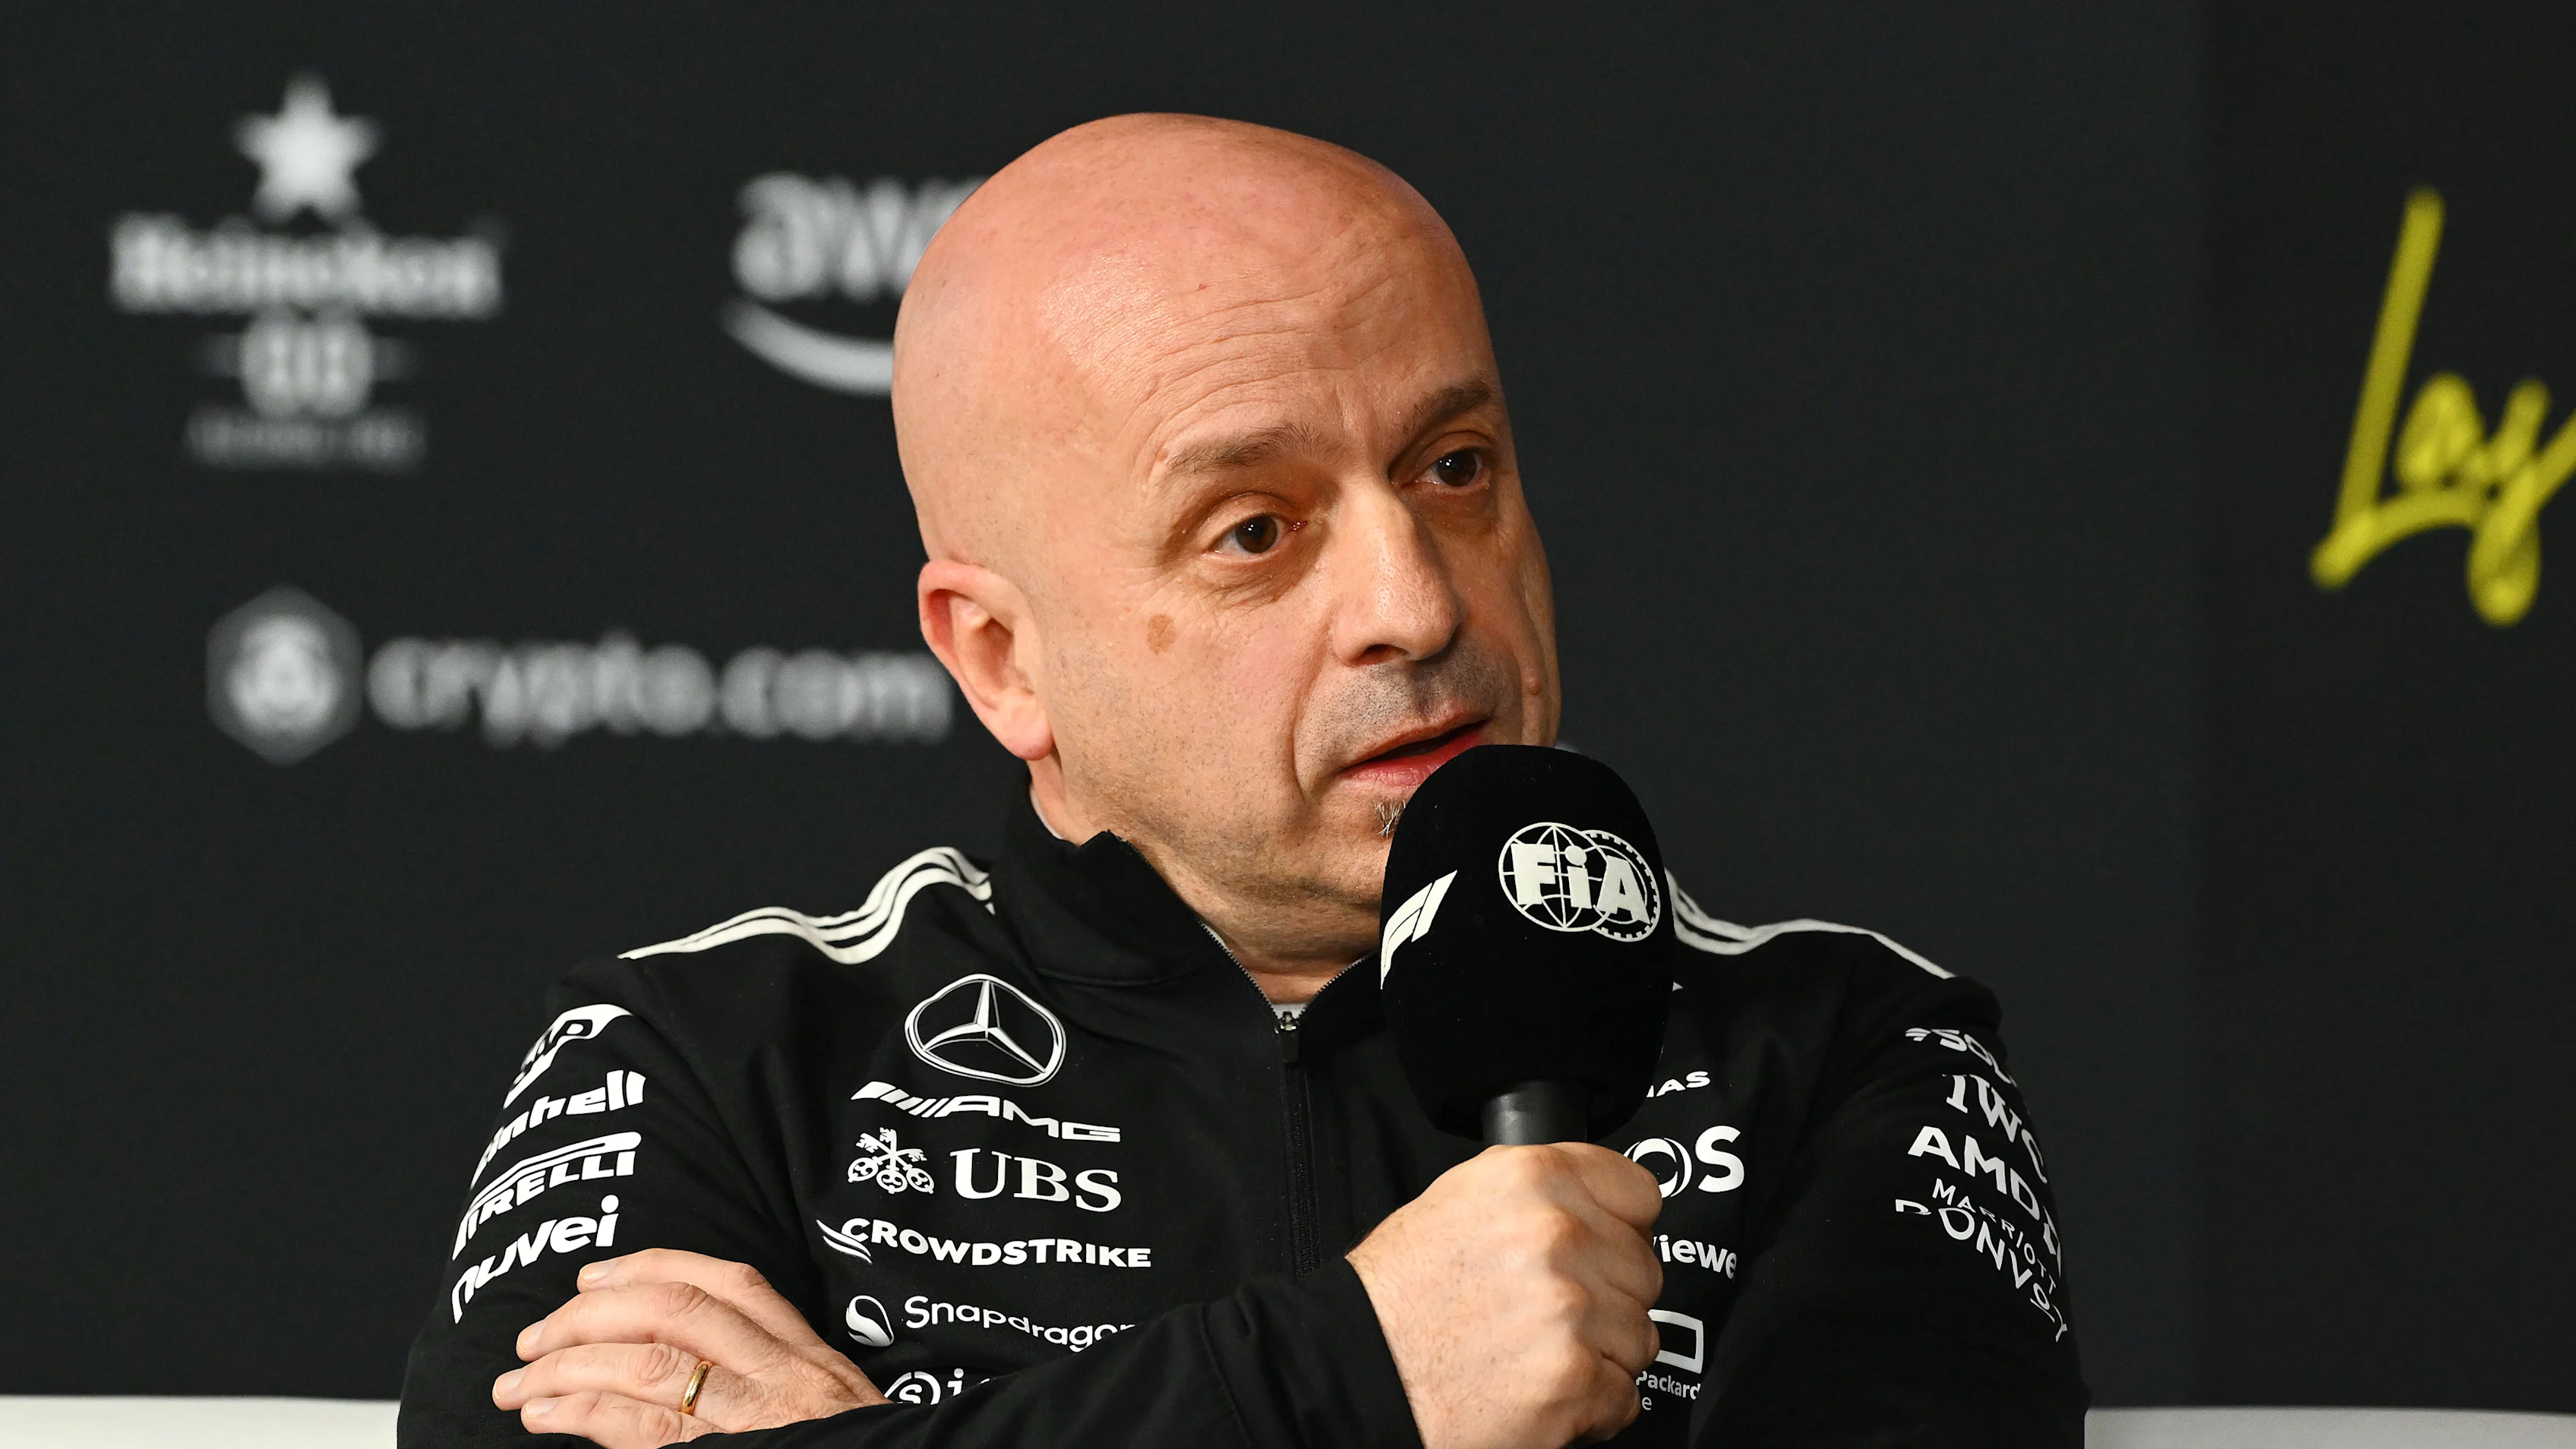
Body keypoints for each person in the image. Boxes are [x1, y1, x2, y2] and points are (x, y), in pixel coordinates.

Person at [399, 114, 2088, 1448]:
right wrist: (1356, 1375)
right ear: (1005, 661)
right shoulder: (710, 1060)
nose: (1419, 602)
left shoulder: (1850, 1053)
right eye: (1257, 532)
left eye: (1455, 469)